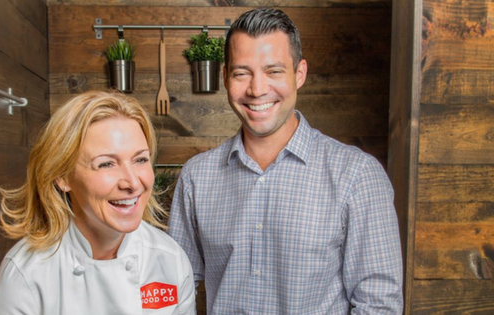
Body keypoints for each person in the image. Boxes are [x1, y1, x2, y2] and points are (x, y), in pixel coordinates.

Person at [168, 8, 403, 314]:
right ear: (225, 77)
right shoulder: (196, 177)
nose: (257, 89)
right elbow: (173, 291)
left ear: (299, 73)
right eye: (242, 73)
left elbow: (379, 305)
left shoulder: (357, 176)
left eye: (274, 71)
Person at [0, 91, 196, 314]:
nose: (133, 182)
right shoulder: (25, 276)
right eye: (106, 164)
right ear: (62, 176)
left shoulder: (170, 259)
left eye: (140, 159)